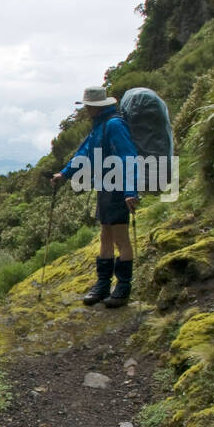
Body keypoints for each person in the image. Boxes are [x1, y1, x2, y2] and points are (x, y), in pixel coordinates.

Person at [50, 87, 139, 307]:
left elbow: (128, 157)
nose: (86, 109)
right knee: (106, 236)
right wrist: (65, 173)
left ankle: (122, 288)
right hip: (106, 187)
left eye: (88, 105)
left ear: (96, 106)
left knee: (120, 238)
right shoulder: (100, 127)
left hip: (118, 188)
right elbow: (84, 154)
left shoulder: (114, 125)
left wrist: (130, 191)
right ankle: (102, 285)